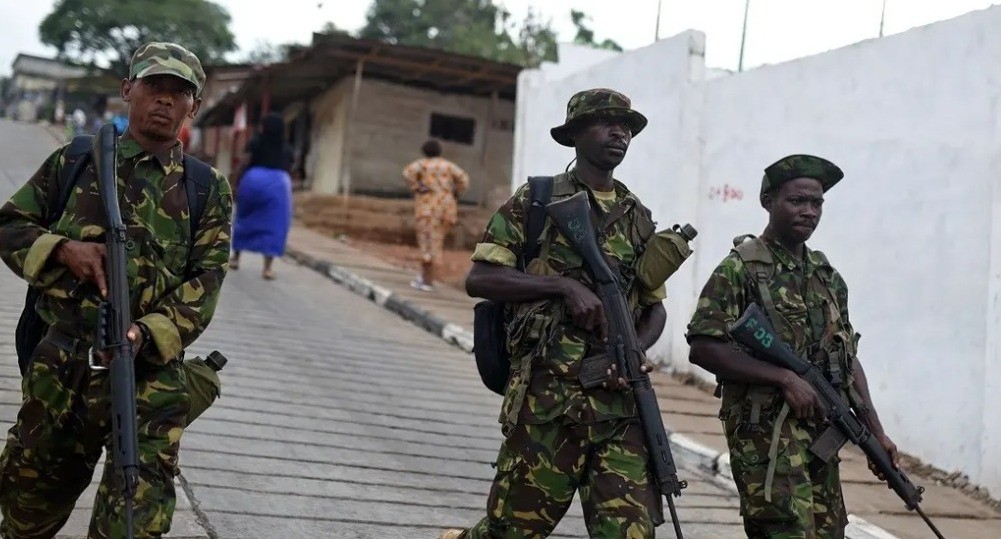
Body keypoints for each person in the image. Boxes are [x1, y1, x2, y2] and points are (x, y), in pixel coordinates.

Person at [0, 42, 233, 538]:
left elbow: (206, 280)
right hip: (62, 367)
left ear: (194, 106)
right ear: (129, 89)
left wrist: (145, 333)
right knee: (26, 510)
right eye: (154, 86)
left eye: (180, 92)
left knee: (132, 520)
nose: (165, 100)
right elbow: (9, 226)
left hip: (145, 377)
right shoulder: (77, 160)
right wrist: (63, 250)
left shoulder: (205, 189)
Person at [438, 88, 669, 539]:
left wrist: (633, 351)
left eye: (626, 126)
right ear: (576, 135)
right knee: (511, 532)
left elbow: (655, 307)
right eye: (605, 122)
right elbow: (480, 278)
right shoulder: (539, 200)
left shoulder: (638, 217)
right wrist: (563, 287)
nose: (619, 132)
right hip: (549, 403)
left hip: (619, 405)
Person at [686, 155, 899, 538]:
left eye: (816, 203)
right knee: (784, 531)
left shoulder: (826, 276)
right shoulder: (741, 268)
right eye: (796, 200)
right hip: (765, 434)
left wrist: (876, 433)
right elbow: (703, 346)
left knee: (829, 531)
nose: (808, 211)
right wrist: (784, 377)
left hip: (821, 435)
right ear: (768, 201)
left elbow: (847, 359)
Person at [228, 112, 294, 280]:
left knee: (244, 218)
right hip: (278, 184)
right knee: (274, 225)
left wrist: (234, 182)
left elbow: (244, 162)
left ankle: (235, 258)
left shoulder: (255, 142)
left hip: (254, 180)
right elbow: (289, 168)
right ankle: (267, 268)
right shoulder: (286, 148)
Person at [401, 139, 469, 291]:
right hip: (446, 208)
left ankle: (427, 280)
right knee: (437, 241)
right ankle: (426, 278)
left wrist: (418, 187)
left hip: (426, 207)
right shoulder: (448, 166)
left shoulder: (422, 164)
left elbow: (407, 173)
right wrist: (455, 192)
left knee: (426, 242)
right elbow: (464, 178)